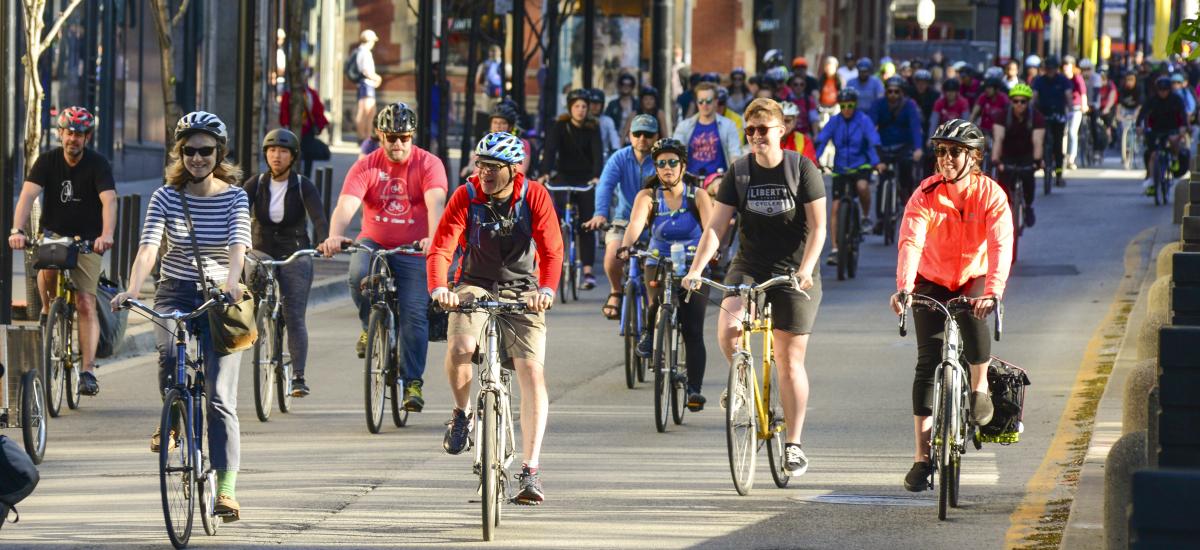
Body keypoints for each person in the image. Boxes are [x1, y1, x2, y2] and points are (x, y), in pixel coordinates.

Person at [110, 111, 251, 520]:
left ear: (219, 153)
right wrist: (133, 290)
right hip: (174, 289)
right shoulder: (165, 196)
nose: (197, 158)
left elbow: (238, 246)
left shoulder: (235, 196)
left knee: (221, 398)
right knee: (170, 354)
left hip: (219, 295)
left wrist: (232, 282)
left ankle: (226, 489)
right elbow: (149, 247)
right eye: (189, 150)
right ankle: (173, 417)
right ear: (179, 152)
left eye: (205, 150)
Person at [682, 98, 827, 476]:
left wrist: (807, 269)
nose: (757, 136)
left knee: (789, 360)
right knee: (729, 330)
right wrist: (697, 268)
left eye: (764, 129)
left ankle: (793, 445)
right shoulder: (740, 171)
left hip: (794, 270)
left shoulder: (801, 168)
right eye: (751, 130)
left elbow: (820, 228)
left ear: (781, 130)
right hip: (749, 265)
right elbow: (717, 227)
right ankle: (741, 380)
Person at [428, 132, 563, 505]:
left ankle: (530, 470)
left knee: (531, 371)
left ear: (512, 170)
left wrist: (547, 291)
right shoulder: (466, 196)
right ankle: (462, 413)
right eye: (480, 164)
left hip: (524, 289)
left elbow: (552, 250)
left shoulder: (533, 195)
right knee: (460, 346)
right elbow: (442, 247)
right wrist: (440, 287)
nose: (483, 172)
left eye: (492, 167)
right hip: (474, 284)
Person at [891, 118, 1013, 492]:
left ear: (974, 157)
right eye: (941, 151)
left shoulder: (991, 195)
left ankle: (979, 390)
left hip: (973, 277)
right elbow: (911, 242)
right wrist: (904, 288)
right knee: (928, 362)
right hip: (932, 277)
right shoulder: (925, 194)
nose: (945, 159)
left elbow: (999, 245)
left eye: (955, 152)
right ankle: (922, 458)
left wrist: (991, 291)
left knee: (975, 325)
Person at [318, 102, 447, 412]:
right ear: (378, 135)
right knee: (357, 274)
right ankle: (369, 325)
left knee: (415, 312)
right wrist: (335, 235)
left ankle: (412, 382)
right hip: (374, 241)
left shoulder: (429, 164)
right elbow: (345, 206)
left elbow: (436, 204)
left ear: (412, 136)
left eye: (403, 137)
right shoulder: (367, 166)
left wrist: (433, 238)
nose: (397, 144)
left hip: (415, 247)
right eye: (390, 137)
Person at [9, 106, 114, 397]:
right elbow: (27, 196)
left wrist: (106, 235)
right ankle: (47, 309)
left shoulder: (98, 164)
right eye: (69, 133)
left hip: (88, 240)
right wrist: (17, 230)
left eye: (79, 134)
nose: (73, 139)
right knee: (46, 268)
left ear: (87, 137)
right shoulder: (47, 161)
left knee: (84, 302)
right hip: (54, 235)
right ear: (60, 134)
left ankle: (89, 371)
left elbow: (109, 201)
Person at [617, 137, 713, 409]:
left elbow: (711, 229)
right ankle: (649, 333)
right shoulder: (648, 196)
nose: (667, 168)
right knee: (657, 300)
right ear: (656, 168)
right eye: (661, 164)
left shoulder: (699, 195)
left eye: (673, 162)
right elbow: (636, 224)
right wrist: (626, 246)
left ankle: (694, 390)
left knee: (693, 328)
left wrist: (712, 253)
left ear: (683, 166)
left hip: (694, 266)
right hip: (658, 260)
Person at [239, 129, 329, 396]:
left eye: (283, 151)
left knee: (294, 314)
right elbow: (238, 212)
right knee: (252, 270)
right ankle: (259, 317)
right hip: (263, 249)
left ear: (292, 157)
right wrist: (236, 241)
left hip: (295, 251)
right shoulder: (256, 183)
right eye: (272, 150)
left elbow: (319, 218)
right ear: (266, 154)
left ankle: (298, 377)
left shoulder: (302, 185)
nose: (277, 156)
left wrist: (324, 240)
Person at [583, 114, 659, 320]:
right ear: (629, 136)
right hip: (624, 219)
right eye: (637, 134)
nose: (642, 138)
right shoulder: (619, 157)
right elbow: (605, 186)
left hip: (657, 222)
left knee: (660, 269)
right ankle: (616, 291)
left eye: (648, 134)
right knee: (612, 256)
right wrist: (600, 213)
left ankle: (657, 313)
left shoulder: (663, 159)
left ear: (656, 136)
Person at [539, 88, 604, 290]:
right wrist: (545, 173)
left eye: (584, 106)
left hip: (585, 179)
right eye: (576, 106)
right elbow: (550, 150)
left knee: (586, 223)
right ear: (570, 108)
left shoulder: (593, 127)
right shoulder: (559, 126)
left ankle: (586, 271)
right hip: (563, 176)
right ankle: (553, 264)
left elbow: (597, 153)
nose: (581, 110)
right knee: (556, 221)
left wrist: (596, 176)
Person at [815, 87, 881, 264]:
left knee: (862, 187)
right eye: (843, 105)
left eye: (850, 105)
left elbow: (872, 142)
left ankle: (866, 217)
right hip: (840, 168)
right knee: (835, 206)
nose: (846, 109)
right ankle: (836, 249)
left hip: (861, 165)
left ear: (856, 105)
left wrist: (876, 162)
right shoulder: (835, 121)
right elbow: (822, 140)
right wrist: (814, 160)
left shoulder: (863, 120)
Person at [991, 84, 1045, 226]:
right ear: (1011, 102)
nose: (1019, 104)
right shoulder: (1002, 116)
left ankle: (1028, 207)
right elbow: (998, 139)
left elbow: (1037, 141)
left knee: (1028, 179)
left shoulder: (1036, 117)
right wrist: (996, 160)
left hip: (1027, 154)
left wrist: (1038, 161)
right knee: (1003, 184)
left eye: (1023, 101)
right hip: (1007, 153)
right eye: (1016, 101)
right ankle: (1002, 210)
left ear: (1028, 102)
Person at [672, 82, 743, 179]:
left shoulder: (729, 125)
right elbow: (675, 153)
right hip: (690, 181)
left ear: (716, 102)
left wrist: (734, 178)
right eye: (701, 101)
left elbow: (735, 154)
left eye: (708, 101)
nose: (704, 105)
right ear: (697, 103)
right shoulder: (684, 126)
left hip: (718, 181)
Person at [870, 77, 925, 202]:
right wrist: (871, 148)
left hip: (903, 146)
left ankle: (907, 199)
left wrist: (918, 148)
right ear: (885, 92)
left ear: (902, 92)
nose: (893, 94)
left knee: (906, 173)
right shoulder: (878, 104)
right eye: (890, 91)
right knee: (882, 177)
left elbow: (915, 127)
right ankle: (880, 217)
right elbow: (869, 128)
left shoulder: (909, 105)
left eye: (896, 91)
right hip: (883, 146)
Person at [1137, 76, 1189, 193]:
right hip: (1156, 128)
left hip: (1172, 127)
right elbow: (1143, 112)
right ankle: (1151, 180)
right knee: (1153, 155)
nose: (1163, 92)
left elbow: (1183, 113)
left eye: (1165, 90)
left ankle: (1175, 158)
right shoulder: (1152, 100)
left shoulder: (1176, 99)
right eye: (1160, 90)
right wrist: (1139, 126)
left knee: (1173, 139)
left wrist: (1183, 126)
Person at [279, 67, 330, 179]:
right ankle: (291, 176)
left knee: (308, 155)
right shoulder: (289, 94)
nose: (303, 79)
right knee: (292, 155)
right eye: (301, 77)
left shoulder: (311, 94)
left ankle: (306, 177)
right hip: (293, 130)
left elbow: (317, 110)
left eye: (305, 77)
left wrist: (320, 124)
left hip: (308, 131)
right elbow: (285, 111)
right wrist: (286, 125)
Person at [459, 101, 532, 178]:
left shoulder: (520, 144)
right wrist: (469, 168)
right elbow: (475, 159)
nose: (498, 126)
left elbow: (520, 171)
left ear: (510, 127)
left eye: (503, 123)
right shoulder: (486, 141)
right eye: (495, 122)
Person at [1031, 56, 1073, 184]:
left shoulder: (1063, 80)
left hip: (1058, 114)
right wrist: (1031, 108)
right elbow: (1034, 95)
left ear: (1056, 69)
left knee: (1058, 144)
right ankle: (1044, 163)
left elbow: (1068, 95)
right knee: (1041, 140)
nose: (1050, 72)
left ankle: (1059, 173)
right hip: (1043, 114)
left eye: (1052, 69)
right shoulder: (1039, 80)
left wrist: (1070, 109)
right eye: (1048, 69)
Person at [351, 30, 383, 141]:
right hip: (367, 85)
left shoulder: (361, 51)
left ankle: (364, 136)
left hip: (364, 85)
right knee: (368, 112)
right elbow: (366, 71)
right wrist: (377, 78)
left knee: (366, 112)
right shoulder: (365, 53)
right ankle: (364, 137)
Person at [1062, 56, 1089, 170]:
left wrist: (1084, 104)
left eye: (1068, 65)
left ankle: (1071, 158)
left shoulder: (1077, 77)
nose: (1066, 68)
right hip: (1064, 107)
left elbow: (1083, 92)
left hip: (1076, 106)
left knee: (1072, 132)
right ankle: (1063, 155)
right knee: (1064, 132)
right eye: (1064, 65)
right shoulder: (1061, 78)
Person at [970, 77, 1011, 144]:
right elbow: (974, 113)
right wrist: (968, 126)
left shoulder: (1003, 98)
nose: (986, 90)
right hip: (984, 131)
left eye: (989, 88)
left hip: (999, 130)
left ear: (996, 89)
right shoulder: (983, 97)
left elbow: (1008, 115)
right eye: (986, 88)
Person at [589, 88, 623, 159]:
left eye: (598, 103)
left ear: (602, 104)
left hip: (603, 158)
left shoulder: (607, 121)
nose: (595, 106)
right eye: (592, 103)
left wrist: (616, 151)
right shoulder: (582, 119)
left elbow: (615, 141)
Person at [605, 73, 639, 143]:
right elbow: (606, 121)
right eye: (623, 84)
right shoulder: (613, 104)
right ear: (619, 86)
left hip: (634, 138)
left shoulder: (637, 104)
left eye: (629, 85)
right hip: (615, 138)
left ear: (632, 87)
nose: (626, 87)